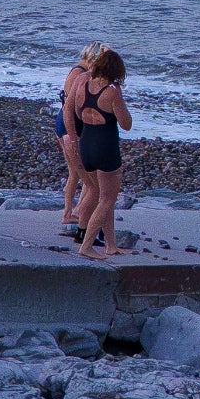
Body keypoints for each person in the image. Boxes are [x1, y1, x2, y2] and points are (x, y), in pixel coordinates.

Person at [69, 47, 131, 260]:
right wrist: (119, 98)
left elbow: (77, 113)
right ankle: (86, 245)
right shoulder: (112, 91)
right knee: (106, 200)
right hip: (105, 146)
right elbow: (126, 124)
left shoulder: (83, 85)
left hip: (86, 143)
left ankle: (111, 245)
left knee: (103, 196)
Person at [56, 48, 100, 233]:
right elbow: (72, 107)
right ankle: (79, 214)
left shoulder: (79, 70)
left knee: (75, 173)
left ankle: (70, 213)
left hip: (64, 125)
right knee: (91, 180)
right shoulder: (80, 75)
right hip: (70, 127)